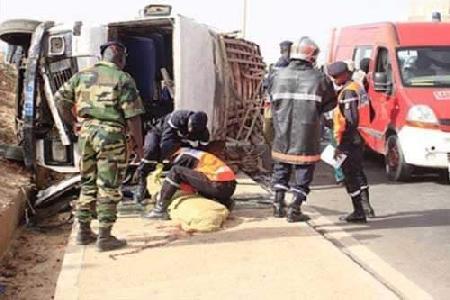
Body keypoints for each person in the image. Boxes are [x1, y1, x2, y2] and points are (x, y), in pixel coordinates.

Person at [54, 41, 145, 251]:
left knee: (87, 183)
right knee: (109, 185)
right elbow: (133, 115)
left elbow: (60, 99)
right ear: (120, 58)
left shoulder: (82, 75)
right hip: (111, 136)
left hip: (86, 134)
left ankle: (83, 232)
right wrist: (139, 146)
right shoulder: (123, 78)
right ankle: (105, 237)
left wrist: (74, 122)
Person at [269, 36, 337, 222]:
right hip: (307, 133)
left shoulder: (277, 75)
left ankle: (277, 204)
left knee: (281, 167)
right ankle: (295, 208)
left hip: (282, 130)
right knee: (303, 170)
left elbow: (271, 99)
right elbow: (330, 104)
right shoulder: (320, 78)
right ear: (313, 56)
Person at [328, 61, 375, 223]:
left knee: (350, 175)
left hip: (350, 139)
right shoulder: (357, 86)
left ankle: (359, 211)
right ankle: (366, 207)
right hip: (360, 137)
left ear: (345, 74)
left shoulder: (348, 92)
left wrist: (342, 145)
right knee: (358, 171)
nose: (334, 80)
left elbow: (351, 120)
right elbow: (371, 112)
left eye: (336, 77)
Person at [134, 110, 210, 203]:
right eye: (190, 126)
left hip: (179, 143)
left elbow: (201, 154)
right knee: (151, 150)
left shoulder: (204, 135)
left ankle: (177, 185)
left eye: (193, 129)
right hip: (158, 133)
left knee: (186, 162)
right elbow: (166, 144)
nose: (190, 130)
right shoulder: (177, 118)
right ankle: (141, 181)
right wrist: (160, 162)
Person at [143, 147, 236, 219]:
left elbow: (178, 180)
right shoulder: (194, 153)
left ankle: (160, 209)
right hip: (229, 187)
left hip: (217, 184)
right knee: (198, 182)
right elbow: (193, 180)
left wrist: (163, 194)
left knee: (176, 171)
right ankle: (225, 201)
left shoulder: (182, 157)